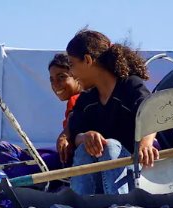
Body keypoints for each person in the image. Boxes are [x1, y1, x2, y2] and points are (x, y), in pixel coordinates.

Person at [63, 29, 157, 195]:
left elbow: (151, 113)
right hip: (98, 180)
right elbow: (75, 135)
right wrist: (86, 137)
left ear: (87, 60)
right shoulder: (86, 100)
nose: (71, 73)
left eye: (72, 65)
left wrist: (145, 145)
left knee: (110, 146)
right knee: (84, 149)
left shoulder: (130, 86)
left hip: (135, 176)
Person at [0, 53, 83, 178]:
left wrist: (64, 135)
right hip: (64, 157)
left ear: (77, 76)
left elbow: (74, 119)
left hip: (67, 160)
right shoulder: (80, 100)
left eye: (62, 77)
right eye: (51, 80)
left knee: (2, 149)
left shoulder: (79, 99)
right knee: (22, 156)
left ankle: (24, 182)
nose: (55, 84)